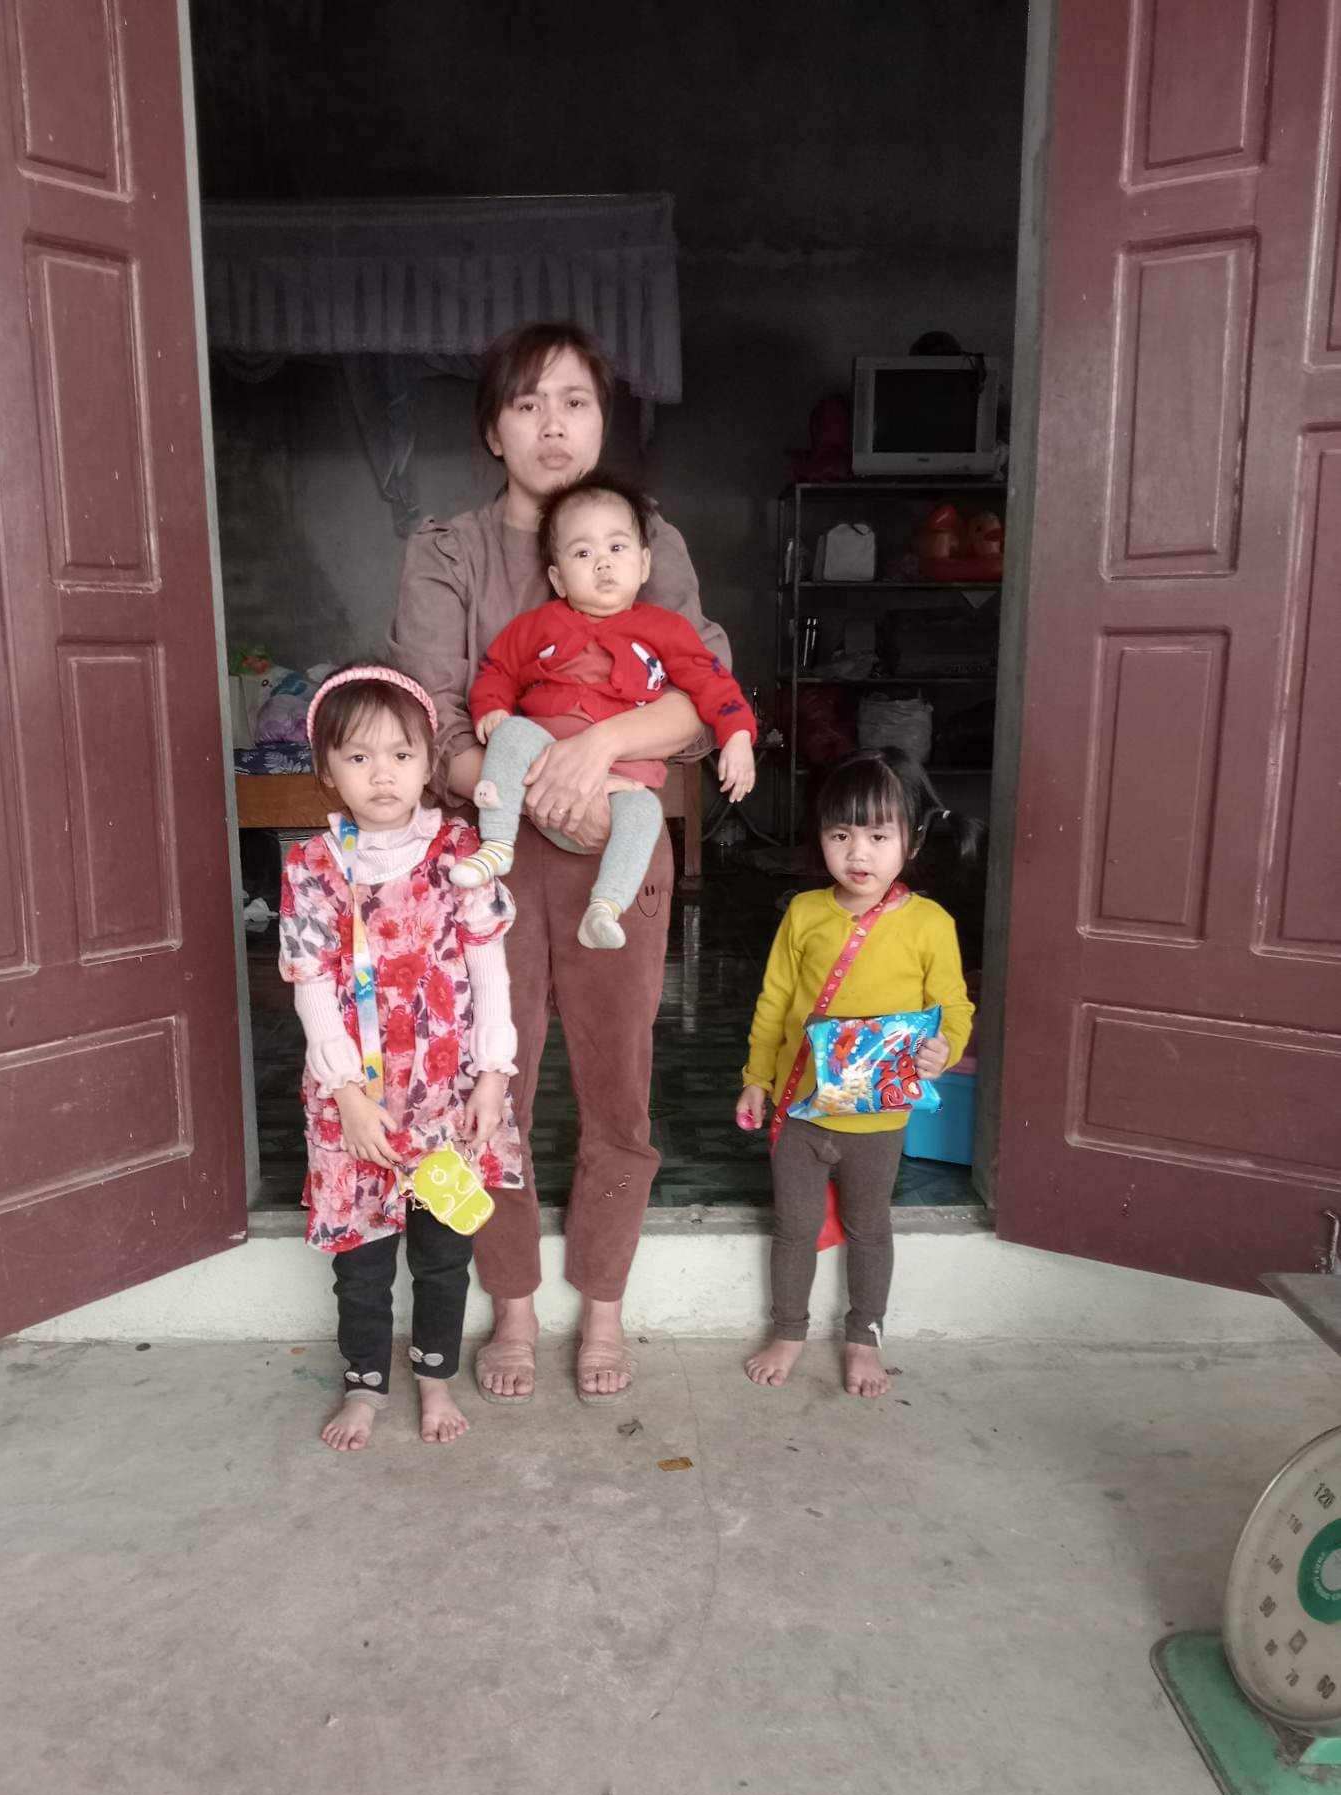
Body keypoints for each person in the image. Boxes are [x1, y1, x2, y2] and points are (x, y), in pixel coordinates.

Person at [389, 323, 729, 1403]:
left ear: (604, 420)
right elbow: (429, 715)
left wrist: (597, 745)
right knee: (488, 1088)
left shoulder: (649, 539)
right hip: (486, 858)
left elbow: (705, 694)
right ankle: (513, 1303)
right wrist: (528, 780)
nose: (553, 424)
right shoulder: (448, 550)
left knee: (618, 1086)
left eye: (575, 401)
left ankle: (606, 1303)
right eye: (527, 403)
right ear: (493, 429)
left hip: (615, 856)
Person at [279, 664, 522, 1451]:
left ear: (428, 763)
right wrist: (347, 1095)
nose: (381, 774)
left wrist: (493, 1075)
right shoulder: (312, 866)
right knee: (362, 1260)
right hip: (357, 1103)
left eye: (400, 754)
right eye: (358, 757)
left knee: (444, 1254)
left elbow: (488, 968)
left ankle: (434, 1378)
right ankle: (364, 1387)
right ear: (327, 770)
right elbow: (313, 984)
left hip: (448, 1097)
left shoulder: (461, 853)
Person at [735, 749, 978, 1398]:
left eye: (877, 836)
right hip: (801, 1111)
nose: (857, 854)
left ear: (912, 839)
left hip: (879, 1119)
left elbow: (954, 1007)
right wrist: (757, 1078)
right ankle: (788, 1331)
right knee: (792, 1228)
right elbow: (774, 1002)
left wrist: (944, 1049)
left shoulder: (931, 924)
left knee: (870, 1229)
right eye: (840, 835)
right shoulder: (804, 913)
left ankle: (864, 1337)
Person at [450, 470, 756, 952]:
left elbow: (710, 680)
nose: (603, 564)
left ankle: (605, 907)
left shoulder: (666, 628)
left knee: (646, 815)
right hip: (544, 769)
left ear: (644, 563)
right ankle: (497, 847)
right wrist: (491, 707)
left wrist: (737, 733)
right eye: (582, 553)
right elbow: (497, 669)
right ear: (557, 578)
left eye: (617, 547)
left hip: (621, 786)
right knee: (510, 734)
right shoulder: (537, 625)